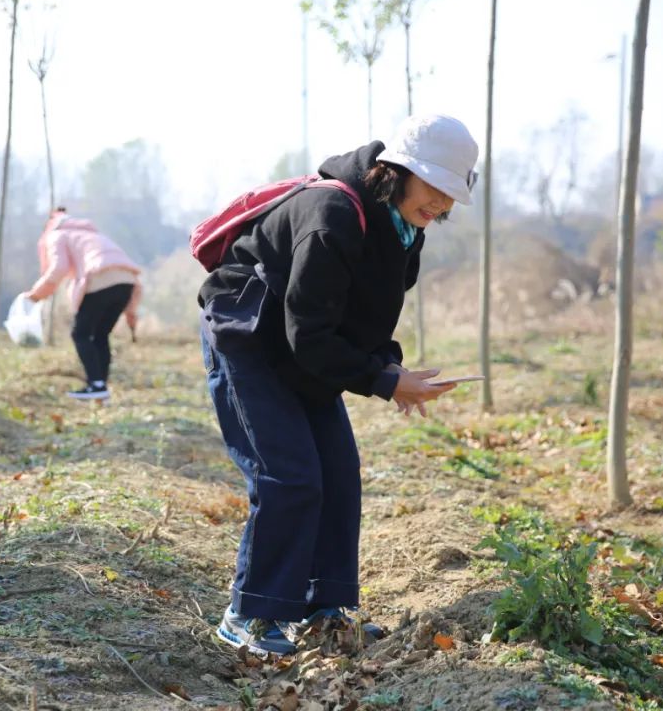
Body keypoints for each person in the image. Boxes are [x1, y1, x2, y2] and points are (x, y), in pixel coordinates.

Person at [197, 114, 479, 656]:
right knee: (290, 474)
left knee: (338, 472)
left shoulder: (403, 228)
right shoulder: (332, 217)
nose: (441, 205)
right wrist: (384, 381)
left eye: (451, 195)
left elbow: (363, 319)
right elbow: (310, 333)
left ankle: (323, 606)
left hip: (301, 342)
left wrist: (389, 367)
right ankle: (250, 613)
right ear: (397, 170)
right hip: (249, 336)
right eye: (435, 187)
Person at [25, 208, 142, 400]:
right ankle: (100, 386)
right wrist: (131, 311)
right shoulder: (93, 234)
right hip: (127, 283)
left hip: (99, 280)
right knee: (100, 335)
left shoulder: (58, 234)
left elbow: (58, 268)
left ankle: (96, 385)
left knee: (80, 334)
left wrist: (36, 295)